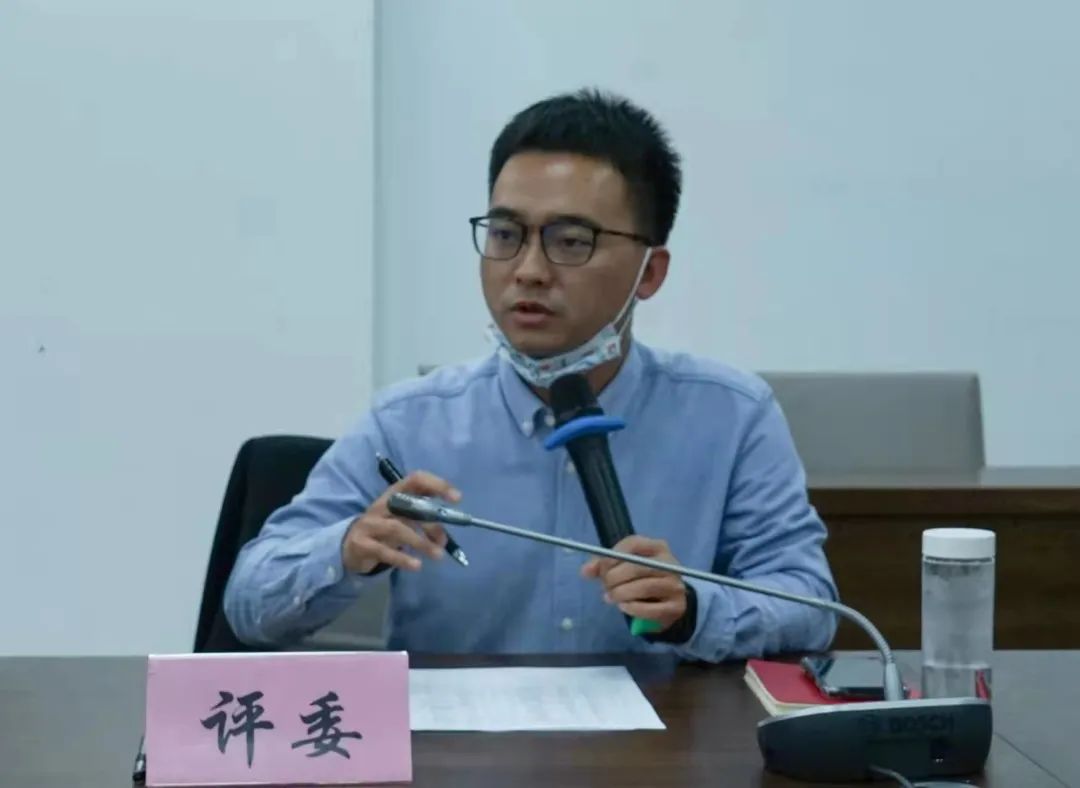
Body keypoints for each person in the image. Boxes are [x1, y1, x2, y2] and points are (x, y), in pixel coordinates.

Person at [223, 88, 838, 660]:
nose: (529, 270)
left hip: (659, 738)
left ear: (649, 273)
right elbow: (250, 601)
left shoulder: (731, 416)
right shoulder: (409, 422)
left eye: (570, 241)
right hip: (456, 740)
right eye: (506, 234)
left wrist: (696, 609)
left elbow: (811, 605)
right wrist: (347, 548)